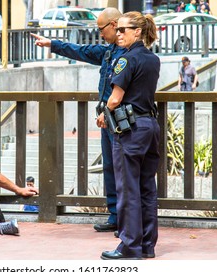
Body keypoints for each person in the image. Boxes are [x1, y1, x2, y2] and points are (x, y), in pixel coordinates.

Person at [31, 7, 126, 234]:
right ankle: (115, 216)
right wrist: (51, 44)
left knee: (125, 170)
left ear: (114, 25)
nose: (100, 33)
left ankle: (127, 219)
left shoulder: (129, 55)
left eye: (101, 29)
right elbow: (81, 50)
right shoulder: (108, 52)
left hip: (123, 121)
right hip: (107, 120)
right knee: (111, 169)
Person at [97, 11, 160, 260]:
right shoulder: (153, 59)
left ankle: (129, 246)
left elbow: (115, 97)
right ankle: (147, 245)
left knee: (127, 190)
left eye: (123, 29)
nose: (119, 33)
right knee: (147, 188)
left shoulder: (125, 60)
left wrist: (104, 113)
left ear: (138, 31)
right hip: (150, 126)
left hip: (130, 130)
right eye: (118, 29)